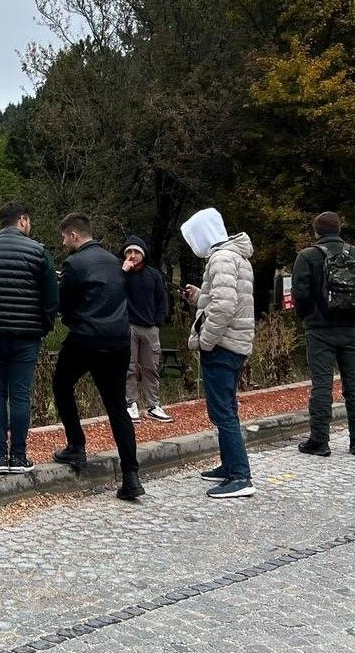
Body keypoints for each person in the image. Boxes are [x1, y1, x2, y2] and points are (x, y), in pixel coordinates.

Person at [51, 214, 143, 502]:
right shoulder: (114, 263)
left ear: (75, 236)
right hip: (118, 340)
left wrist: (69, 316)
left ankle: (76, 446)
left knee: (62, 384)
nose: (64, 242)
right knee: (117, 406)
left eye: (65, 237)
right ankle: (131, 475)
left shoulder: (74, 264)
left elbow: (64, 303)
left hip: (86, 338)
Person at [0, 202, 60, 474]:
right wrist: (43, 325)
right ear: (23, 220)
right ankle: (18, 455)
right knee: (19, 395)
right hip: (25, 334)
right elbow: (51, 298)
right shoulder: (38, 251)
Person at [291, 211, 355, 458]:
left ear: (316, 231)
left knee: (322, 386)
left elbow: (300, 293)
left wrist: (307, 316)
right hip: (351, 329)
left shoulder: (307, 256)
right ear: (339, 230)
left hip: (319, 330)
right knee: (354, 384)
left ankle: (319, 441)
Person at [181, 207, 256, 500]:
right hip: (234, 343)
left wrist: (206, 340)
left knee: (222, 411)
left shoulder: (221, 258)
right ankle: (230, 465)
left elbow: (225, 307)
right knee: (227, 409)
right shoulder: (233, 256)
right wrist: (200, 296)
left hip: (223, 346)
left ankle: (240, 476)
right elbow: (226, 298)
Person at [121, 235, 172, 424]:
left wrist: (158, 321)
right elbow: (113, 292)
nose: (133, 255)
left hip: (150, 327)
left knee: (151, 367)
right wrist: (123, 272)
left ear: (143, 254)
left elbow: (162, 299)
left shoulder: (153, 275)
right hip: (129, 326)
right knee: (129, 367)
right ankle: (130, 403)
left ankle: (153, 405)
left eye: (136, 252)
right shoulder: (120, 273)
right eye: (129, 252)